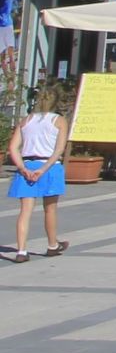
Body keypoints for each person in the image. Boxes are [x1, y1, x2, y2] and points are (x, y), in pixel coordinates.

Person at [8, 92, 70, 262]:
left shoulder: (26, 120)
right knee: (50, 208)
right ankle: (52, 245)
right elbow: (59, 149)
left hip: (28, 166)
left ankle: (21, 250)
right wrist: (43, 169)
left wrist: (22, 168)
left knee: (25, 211)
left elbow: (13, 148)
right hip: (50, 167)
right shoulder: (59, 121)